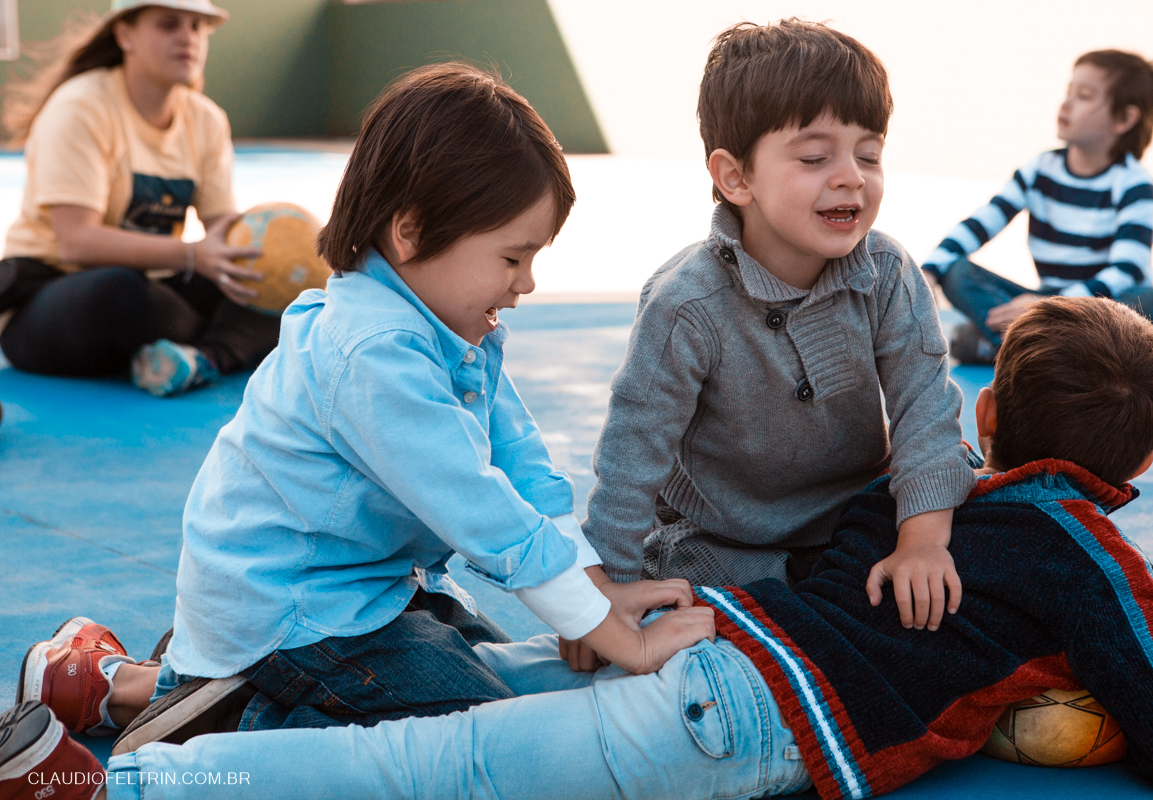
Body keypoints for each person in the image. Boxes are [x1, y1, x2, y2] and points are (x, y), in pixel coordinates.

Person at [5, 295, 1153, 800]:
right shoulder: (1084, 547)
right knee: (438, 767)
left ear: (985, 418)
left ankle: (117, 689)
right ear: (1131, 479)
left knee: (432, 702)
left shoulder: (916, 489)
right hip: (744, 720)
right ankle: (131, 782)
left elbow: (839, 563)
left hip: (708, 633)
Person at [10, 62, 715, 762]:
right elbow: (484, 512)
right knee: (478, 736)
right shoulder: (373, 354)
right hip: (294, 618)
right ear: (409, 232)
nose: (528, 282)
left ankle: (114, 681)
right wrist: (622, 637)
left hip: (362, 594)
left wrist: (595, 593)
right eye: (512, 256)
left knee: (507, 694)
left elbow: (524, 467)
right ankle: (202, 725)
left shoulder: (452, 327)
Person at [580, 19, 975, 639]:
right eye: (816, 158)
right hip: (726, 538)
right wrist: (609, 588)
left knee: (967, 546)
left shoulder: (888, 271)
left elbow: (925, 409)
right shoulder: (687, 304)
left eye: (868, 155)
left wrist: (922, 541)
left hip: (860, 515)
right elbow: (633, 454)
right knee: (699, 617)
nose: (851, 176)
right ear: (736, 178)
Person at [0, 0, 279, 397]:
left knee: (272, 281)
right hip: (57, 296)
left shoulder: (206, 119)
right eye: (169, 25)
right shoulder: (81, 106)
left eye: (198, 27)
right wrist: (192, 256)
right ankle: (226, 341)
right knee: (119, 291)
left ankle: (201, 359)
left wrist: (269, 254)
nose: (188, 38)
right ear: (124, 34)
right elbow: (76, 241)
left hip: (155, 284)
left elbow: (223, 229)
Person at [922, 50, 1153, 364]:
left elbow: (1128, 270)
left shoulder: (1134, 184)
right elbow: (981, 223)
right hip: (1043, 306)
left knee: (1152, 303)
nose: (1066, 104)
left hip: (1097, 312)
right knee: (957, 272)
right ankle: (1058, 356)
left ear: (1124, 119)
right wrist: (929, 272)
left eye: (1083, 96)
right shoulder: (1040, 170)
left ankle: (1011, 348)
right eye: (1068, 92)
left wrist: (1049, 306)